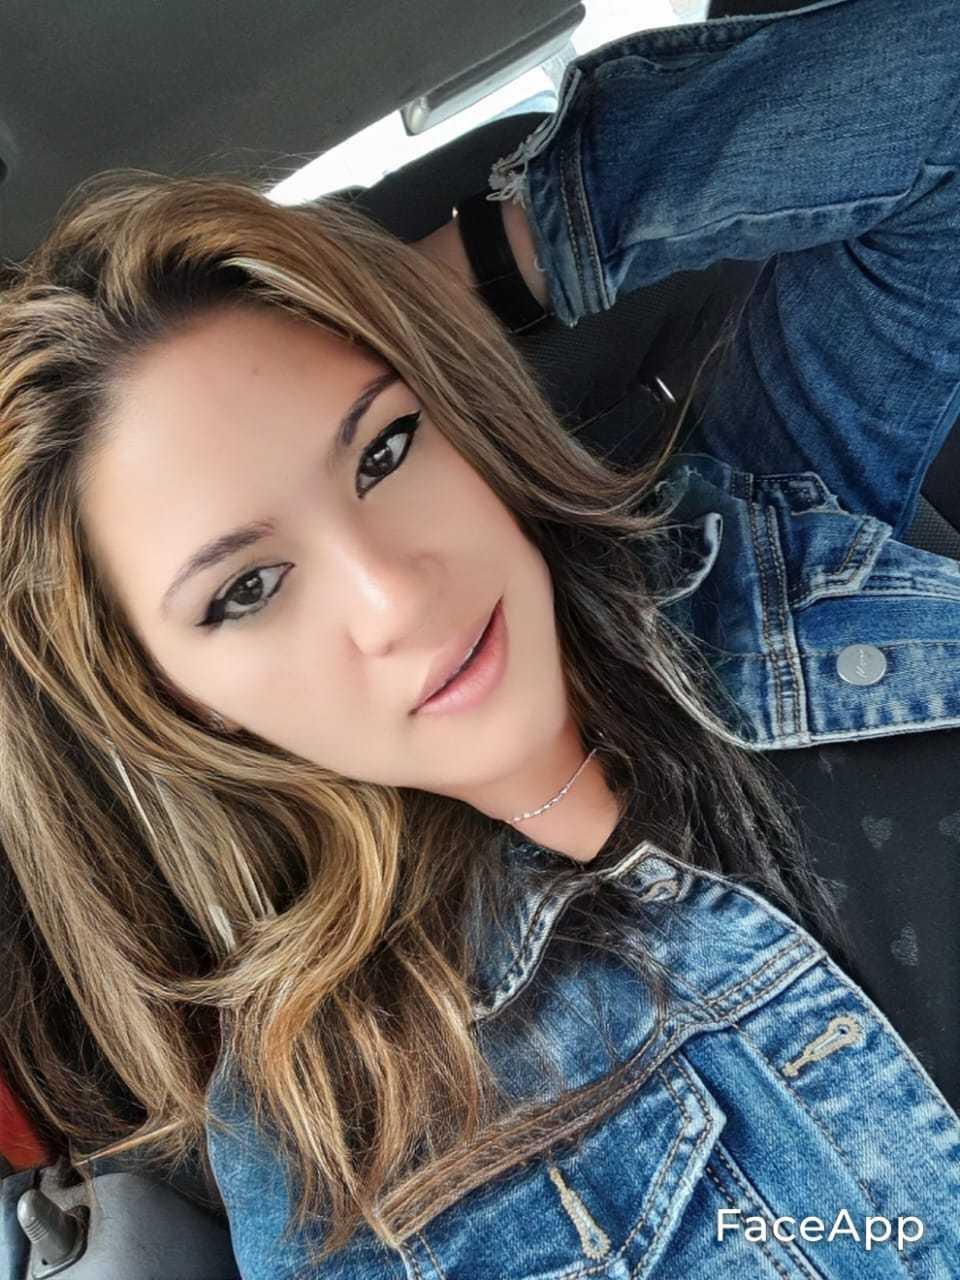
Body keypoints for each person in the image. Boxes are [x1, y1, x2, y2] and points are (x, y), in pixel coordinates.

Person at [1, 0, 959, 1276]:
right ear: (175, 696)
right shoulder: (344, 1155)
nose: (396, 596)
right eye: (247, 589)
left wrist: (470, 278)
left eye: (385, 448)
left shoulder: (765, 529)